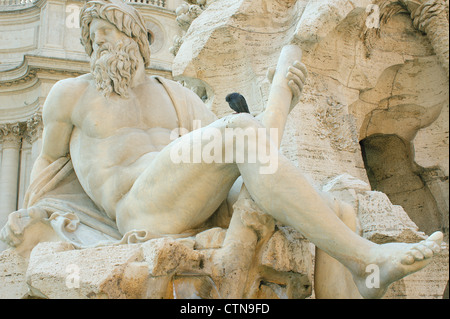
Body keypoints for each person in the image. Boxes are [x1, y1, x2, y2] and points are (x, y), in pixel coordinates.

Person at [1, 0, 443, 299]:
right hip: (138, 208)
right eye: (93, 38)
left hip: (193, 200)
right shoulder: (72, 94)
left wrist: (281, 101)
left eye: (109, 34)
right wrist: (30, 218)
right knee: (238, 131)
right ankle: (365, 257)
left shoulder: (173, 94)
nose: (101, 44)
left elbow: (254, 148)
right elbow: (47, 164)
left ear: (138, 40)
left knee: (335, 203)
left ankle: (357, 277)